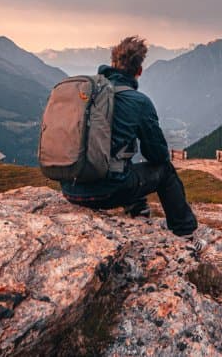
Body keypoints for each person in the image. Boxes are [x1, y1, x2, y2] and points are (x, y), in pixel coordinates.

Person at [60, 36, 198, 238]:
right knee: (165, 171)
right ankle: (185, 233)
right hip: (106, 194)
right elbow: (157, 155)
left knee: (120, 160)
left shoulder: (88, 93)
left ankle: (138, 211)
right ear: (139, 71)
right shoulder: (138, 102)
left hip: (69, 190)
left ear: (112, 63)